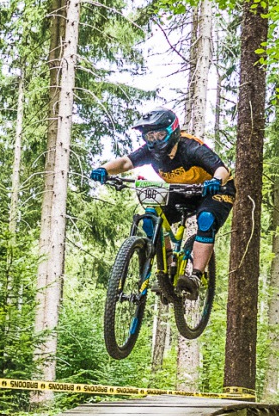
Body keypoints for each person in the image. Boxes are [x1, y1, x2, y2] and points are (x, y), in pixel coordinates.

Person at [89, 106, 234, 300]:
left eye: (159, 134)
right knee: (151, 218)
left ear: (172, 131)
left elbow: (221, 170)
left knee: (206, 219)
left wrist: (215, 181)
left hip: (215, 189)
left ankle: (196, 277)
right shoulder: (151, 153)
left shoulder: (191, 148)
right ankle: (168, 266)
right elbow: (125, 163)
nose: (154, 140)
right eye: (149, 136)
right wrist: (104, 169)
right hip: (181, 191)